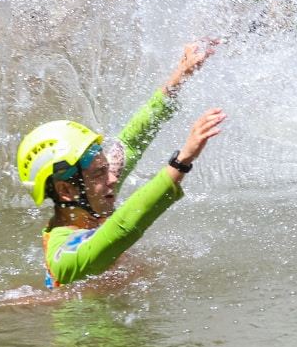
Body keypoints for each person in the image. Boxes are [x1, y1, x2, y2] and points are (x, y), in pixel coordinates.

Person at [15, 40, 227, 288]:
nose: (113, 178)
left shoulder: (91, 198)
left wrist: (180, 77)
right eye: (99, 174)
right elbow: (122, 228)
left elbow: (131, 141)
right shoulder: (63, 255)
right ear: (66, 190)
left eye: (106, 168)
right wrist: (182, 161)